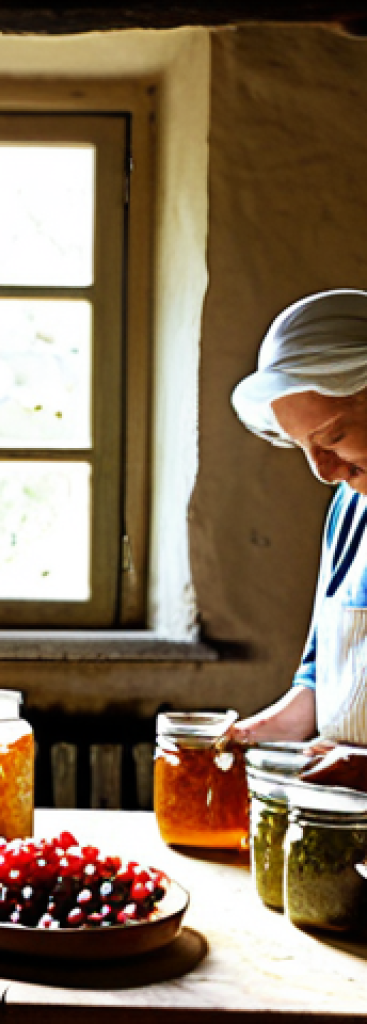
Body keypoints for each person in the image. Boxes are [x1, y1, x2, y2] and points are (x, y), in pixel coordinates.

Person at [231, 289, 367, 792]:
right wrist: (253, 735)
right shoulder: (351, 507)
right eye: (303, 447)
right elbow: (325, 679)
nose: (323, 471)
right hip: (346, 813)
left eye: (331, 437)